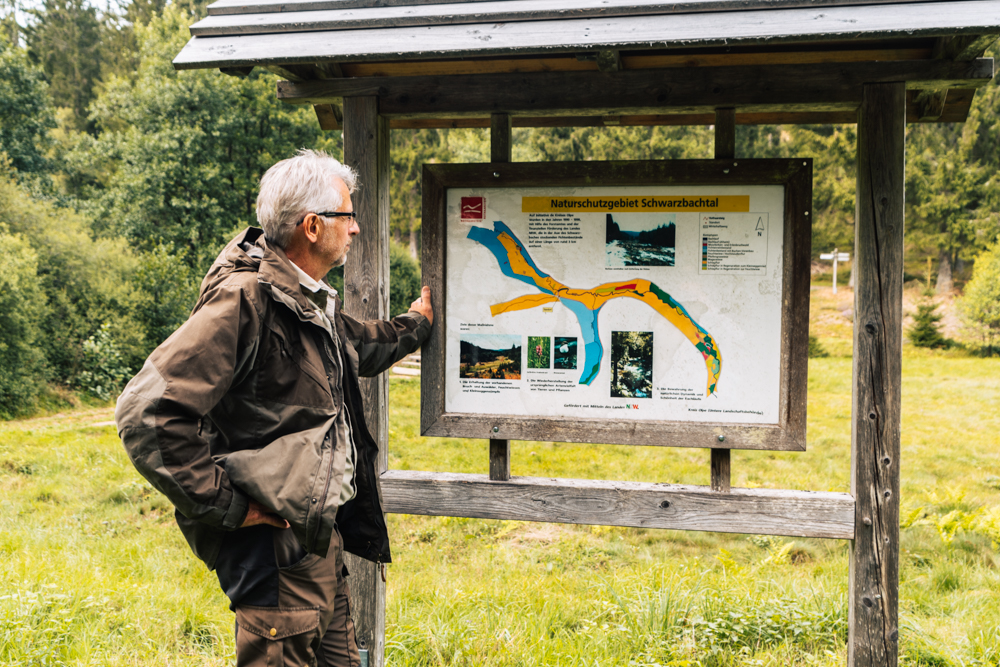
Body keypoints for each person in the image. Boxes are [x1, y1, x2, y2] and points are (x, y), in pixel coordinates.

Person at [115, 149, 433, 666]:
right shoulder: (245, 300)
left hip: (315, 543)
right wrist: (229, 506)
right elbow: (146, 412)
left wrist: (417, 323)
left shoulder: (303, 300)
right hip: (274, 551)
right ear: (312, 226)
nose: (354, 229)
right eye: (346, 216)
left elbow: (363, 344)